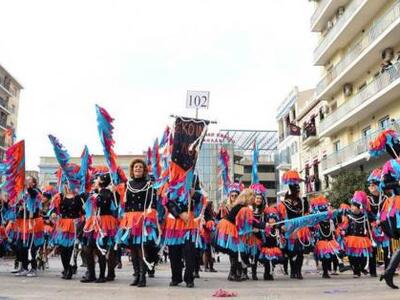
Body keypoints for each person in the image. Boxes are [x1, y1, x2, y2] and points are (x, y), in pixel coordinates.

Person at [116, 159, 158, 287]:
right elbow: (123, 203)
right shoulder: (127, 184)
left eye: (140, 167)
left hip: (142, 219)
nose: (138, 169)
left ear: (144, 170)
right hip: (129, 219)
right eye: (135, 167)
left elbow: (153, 203)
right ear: (132, 170)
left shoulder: (149, 185)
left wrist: (149, 216)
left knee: (142, 249)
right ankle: (136, 275)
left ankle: (142, 277)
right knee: (133, 250)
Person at [163, 174, 204, 288]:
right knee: (174, 252)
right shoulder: (171, 176)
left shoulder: (194, 177)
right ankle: (176, 277)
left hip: (189, 223)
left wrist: (194, 194)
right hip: (175, 222)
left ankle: (189, 278)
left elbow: (201, 198)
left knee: (189, 252)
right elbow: (167, 199)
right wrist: (180, 213)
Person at [81, 173, 119, 283]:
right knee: (88, 248)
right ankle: (91, 274)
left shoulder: (107, 192)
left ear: (101, 182)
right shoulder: (97, 192)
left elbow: (102, 203)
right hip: (94, 222)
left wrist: (94, 196)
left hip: (103, 223)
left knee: (100, 248)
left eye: (96, 179)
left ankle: (102, 275)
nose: (94, 181)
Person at [214, 188, 256, 282]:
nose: (254, 199)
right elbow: (250, 222)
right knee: (235, 252)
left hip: (228, 227)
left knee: (234, 253)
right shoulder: (244, 208)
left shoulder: (239, 206)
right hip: (230, 228)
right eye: (253, 196)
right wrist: (263, 225)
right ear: (248, 197)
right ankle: (233, 274)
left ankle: (233, 274)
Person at [278, 170, 311, 280]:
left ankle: (299, 271)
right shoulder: (284, 203)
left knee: (300, 252)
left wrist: (306, 201)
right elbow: (281, 217)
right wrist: (281, 226)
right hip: (290, 229)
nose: (298, 192)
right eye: (297, 190)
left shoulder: (302, 202)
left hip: (301, 229)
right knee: (291, 252)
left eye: (298, 190)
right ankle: (293, 271)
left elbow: (306, 213)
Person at [51, 182, 85, 280]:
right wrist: (53, 213)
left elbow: (82, 212)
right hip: (62, 224)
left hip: (73, 225)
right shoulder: (60, 197)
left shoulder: (78, 198)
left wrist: (79, 219)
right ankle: (66, 268)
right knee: (62, 248)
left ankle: (69, 269)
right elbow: (54, 209)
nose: (69, 186)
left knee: (70, 248)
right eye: (67, 184)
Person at [14, 176, 44, 277]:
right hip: (23, 223)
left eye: (29, 180)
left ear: (34, 183)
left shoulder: (35, 191)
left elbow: (32, 193)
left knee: (32, 247)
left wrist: (27, 186)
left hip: (33, 223)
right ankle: (24, 267)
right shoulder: (24, 193)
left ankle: (34, 268)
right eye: (26, 179)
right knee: (21, 246)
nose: (26, 180)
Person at [342, 191, 373, 278]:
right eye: (351, 206)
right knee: (352, 257)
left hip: (362, 240)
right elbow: (346, 226)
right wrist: (344, 232)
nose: (351, 208)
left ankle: (362, 268)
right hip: (351, 239)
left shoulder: (365, 217)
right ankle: (356, 271)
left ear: (359, 207)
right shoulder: (349, 217)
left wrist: (370, 238)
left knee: (363, 257)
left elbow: (368, 228)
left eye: (354, 206)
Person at [367, 168, 390, 277]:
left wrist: (381, 221)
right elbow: (366, 212)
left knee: (387, 249)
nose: (371, 187)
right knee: (373, 250)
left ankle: (388, 270)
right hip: (372, 228)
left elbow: (389, 211)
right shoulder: (367, 200)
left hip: (384, 226)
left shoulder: (386, 198)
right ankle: (372, 271)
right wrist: (372, 222)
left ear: (378, 185)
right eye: (370, 185)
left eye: (373, 185)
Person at [311, 195, 340, 279]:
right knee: (324, 258)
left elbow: (334, 229)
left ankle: (328, 270)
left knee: (330, 257)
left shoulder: (331, 220)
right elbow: (312, 228)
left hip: (330, 241)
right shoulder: (318, 221)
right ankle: (325, 272)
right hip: (322, 242)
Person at [258, 206, 283, 280]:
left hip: (274, 248)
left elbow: (279, 238)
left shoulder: (277, 229)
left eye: (273, 219)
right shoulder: (265, 229)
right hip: (266, 248)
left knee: (272, 262)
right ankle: (266, 273)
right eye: (270, 219)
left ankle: (271, 273)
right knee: (267, 262)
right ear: (268, 220)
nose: (272, 220)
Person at [249, 183, 267, 280]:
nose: (258, 200)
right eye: (257, 198)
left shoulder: (264, 211)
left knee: (256, 255)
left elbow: (264, 222)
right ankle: (246, 272)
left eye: (260, 198)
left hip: (259, 235)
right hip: (249, 234)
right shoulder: (249, 209)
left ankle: (254, 273)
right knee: (249, 254)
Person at [200, 200, 217, 273]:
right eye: (212, 206)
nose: (213, 207)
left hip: (209, 234)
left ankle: (210, 267)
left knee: (209, 251)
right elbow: (205, 224)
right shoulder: (207, 215)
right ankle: (207, 267)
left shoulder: (211, 214)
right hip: (207, 234)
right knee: (207, 251)